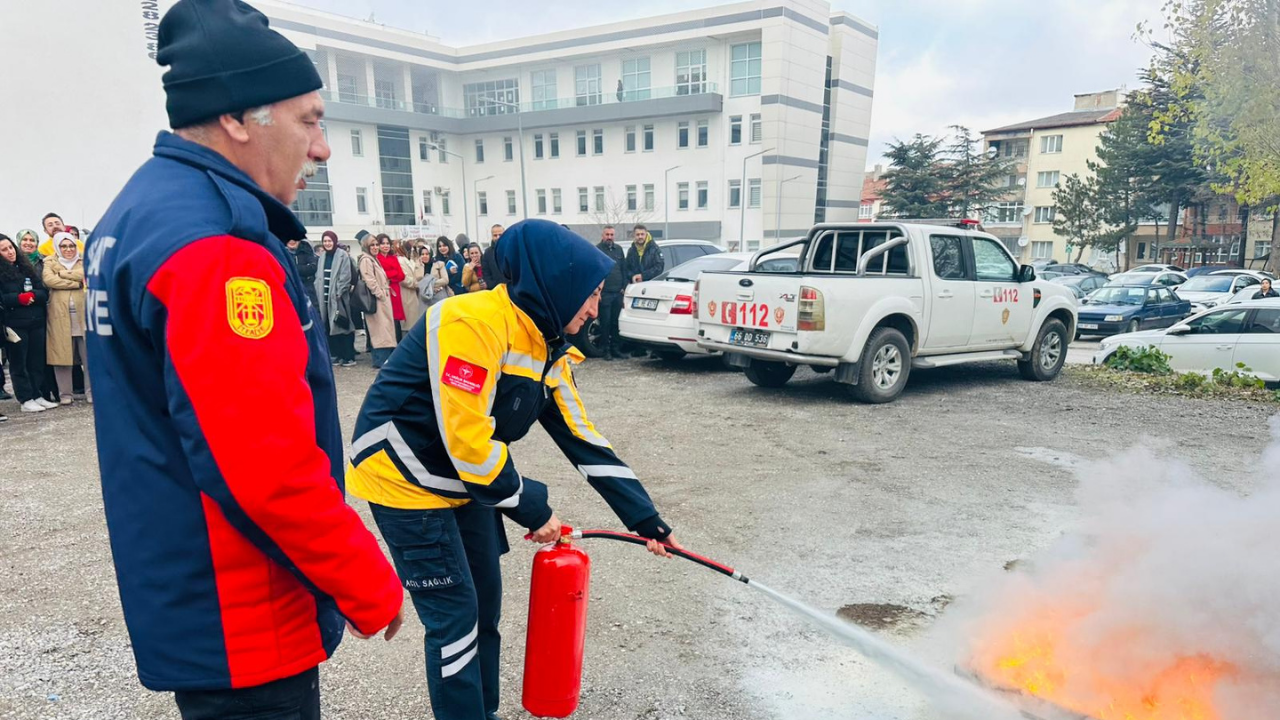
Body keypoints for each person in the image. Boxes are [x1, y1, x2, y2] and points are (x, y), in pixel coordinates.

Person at [85, 2, 404, 718]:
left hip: (187, 581)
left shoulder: (135, 214)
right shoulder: (219, 247)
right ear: (235, 118)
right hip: (242, 607)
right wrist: (366, 580)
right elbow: (264, 464)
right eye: (309, 120)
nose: (322, 148)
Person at [347, 219, 680, 720]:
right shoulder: (471, 322)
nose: (594, 309)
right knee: (455, 622)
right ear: (558, 283)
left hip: (464, 482)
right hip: (405, 480)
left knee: (485, 610)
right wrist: (530, 507)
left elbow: (584, 439)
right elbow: (468, 441)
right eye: (589, 296)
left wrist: (646, 520)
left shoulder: (548, 346)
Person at [0, 235, 55, 413]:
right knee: (19, 363)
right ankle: (25, 398)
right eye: (4, 250)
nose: (10, 252)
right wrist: (18, 299)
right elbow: (3, 298)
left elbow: (43, 291)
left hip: (36, 321)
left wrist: (33, 296)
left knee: (36, 361)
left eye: (10, 248)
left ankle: (37, 394)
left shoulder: (26, 268)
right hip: (15, 324)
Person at [43, 232, 91, 404]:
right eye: (64, 246)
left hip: (83, 316)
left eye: (71, 246)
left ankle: (91, 392)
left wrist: (62, 274)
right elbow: (49, 280)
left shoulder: (84, 260)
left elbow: (85, 274)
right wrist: (76, 282)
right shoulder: (49, 262)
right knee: (61, 357)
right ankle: (65, 395)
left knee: (88, 356)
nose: (68, 249)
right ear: (57, 247)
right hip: (59, 317)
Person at [316, 230, 357, 367]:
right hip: (325, 298)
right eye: (325, 241)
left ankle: (348, 356)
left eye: (329, 241)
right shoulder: (322, 257)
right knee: (329, 325)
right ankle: (336, 354)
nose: (327, 243)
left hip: (339, 297)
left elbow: (346, 275)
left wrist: (339, 292)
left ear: (334, 241)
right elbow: (319, 276)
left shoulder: (342, 255)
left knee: (342, 324)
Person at [359, 233, 397, 367]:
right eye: (372, 245)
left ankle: (384, 359)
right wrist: (380, 293)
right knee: (380, 330)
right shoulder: (366, 260)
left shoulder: (373, 259)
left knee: (384, 329)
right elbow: (369, 278)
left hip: (382, 298)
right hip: (377, 299)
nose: (375, 247)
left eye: (376, 244)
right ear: (366, 246)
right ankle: (380, 359)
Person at [595, 225, 627, 360]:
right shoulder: (597, 250)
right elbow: (595, 272)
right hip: (605, 293)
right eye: (607, 234)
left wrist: (624, 286)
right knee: (605, 323)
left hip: (617, 292)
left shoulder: (618, 250)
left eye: (611, 235)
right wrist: (598, 292)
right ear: (603, 235)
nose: (609, 237)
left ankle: (615, 349)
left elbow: (624, 269)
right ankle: (605, 350)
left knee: (615, 323)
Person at [375, 234, 406, 340]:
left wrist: (389, 275)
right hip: (383, 291)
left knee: (396, 320)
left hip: (395, 291)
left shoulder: (393, 258)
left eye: (387, 243)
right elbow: (380, 276)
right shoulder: (375, 259)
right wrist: (393, 273)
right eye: (382, 243)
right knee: (385, 319)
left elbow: (401, 275)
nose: (385, 246)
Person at [395, 239, 424, 327]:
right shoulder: (400, 260)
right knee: (408, 325)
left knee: (415, 322)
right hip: (406, 295)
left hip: (415, 295)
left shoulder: (411, 259)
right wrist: (417, 284)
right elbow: (404, 279)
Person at [287, 237, 320, 310]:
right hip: (288, 291)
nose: (292, 240)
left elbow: (312, 268)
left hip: (307, 290)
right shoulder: (280, 252)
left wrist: (292, 268)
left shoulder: (306, 250)